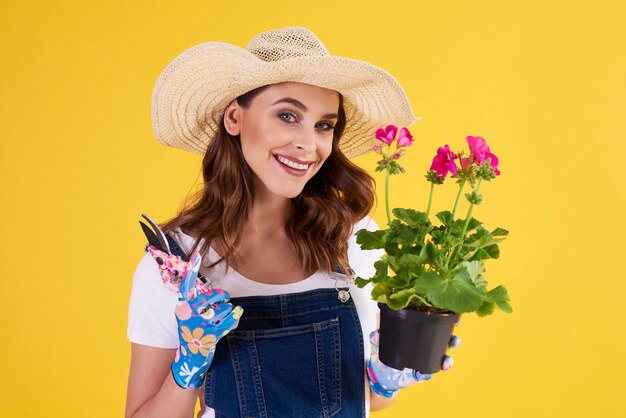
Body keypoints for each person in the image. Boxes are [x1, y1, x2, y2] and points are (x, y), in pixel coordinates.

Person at [125, 26, 459, 418]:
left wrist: (385, 377)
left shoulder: (353, 240)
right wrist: (188, 368)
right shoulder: (178, 265)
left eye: (324, 125)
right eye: (288, 116)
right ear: (234, 117)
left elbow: (366, 399)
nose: (309, 144)